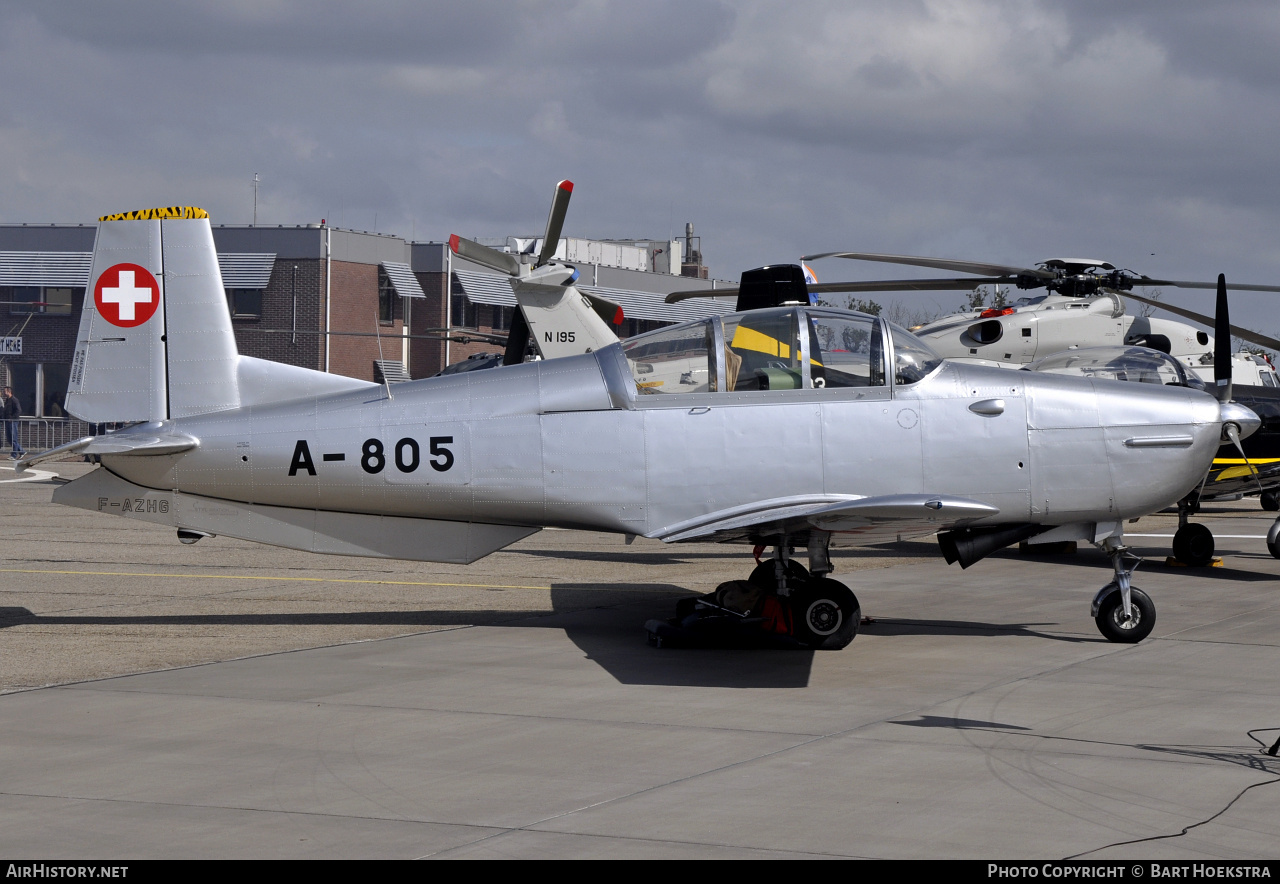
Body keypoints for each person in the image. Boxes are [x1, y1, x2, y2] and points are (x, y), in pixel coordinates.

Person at [2, 386, 24, 460]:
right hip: (7, 421)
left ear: (9, 391)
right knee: (9, 438)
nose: (3, 393)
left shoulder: (14, 400)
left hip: (12, 422)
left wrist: (12, 418)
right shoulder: (7, 400)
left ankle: (14, 455)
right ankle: (21, 451)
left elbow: (18, 410)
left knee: (13, 438)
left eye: (5, 391)